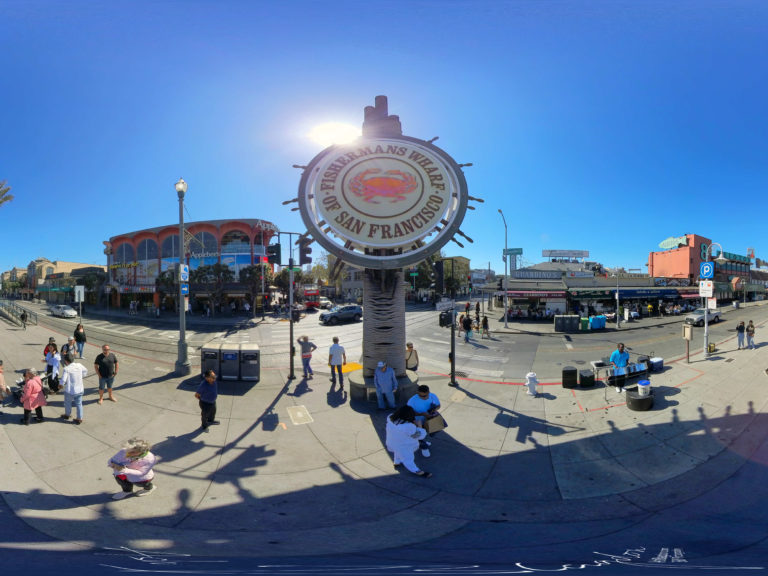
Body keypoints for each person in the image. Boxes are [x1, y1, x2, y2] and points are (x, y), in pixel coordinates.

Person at [385, 406, 431, 478]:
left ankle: (397, 462)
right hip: (404, 446)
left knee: (397, 451)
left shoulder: (390, 417)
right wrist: (419, 426)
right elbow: (419, 436)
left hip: (392, 442)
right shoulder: (408, 426)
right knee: (408, 459)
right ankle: (416, 470)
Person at [407, 385, 441, 457]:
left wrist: (433, 410)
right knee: (419, 436)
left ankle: (421, 442)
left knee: (427, 433)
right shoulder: (412, 400)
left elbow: (438, 405)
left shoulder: (433, 396)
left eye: (425, 395)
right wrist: (421, 414)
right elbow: (408, 412)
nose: (424, 398)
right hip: (417, 422)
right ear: (418, 393)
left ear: (429, 392)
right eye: (421, 396)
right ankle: (424, 448)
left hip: (429, 420)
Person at [60, 353, 87, 424]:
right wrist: (81, 376)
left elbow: (63, 380)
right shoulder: (79, 365)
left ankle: (67, 414)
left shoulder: (66, 369)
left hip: (70, 390)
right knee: (79, 404)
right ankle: (79, 418)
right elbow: (85, 371)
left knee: (68, 403)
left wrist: (60, 385)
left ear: (66, 361)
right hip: (79, 389)